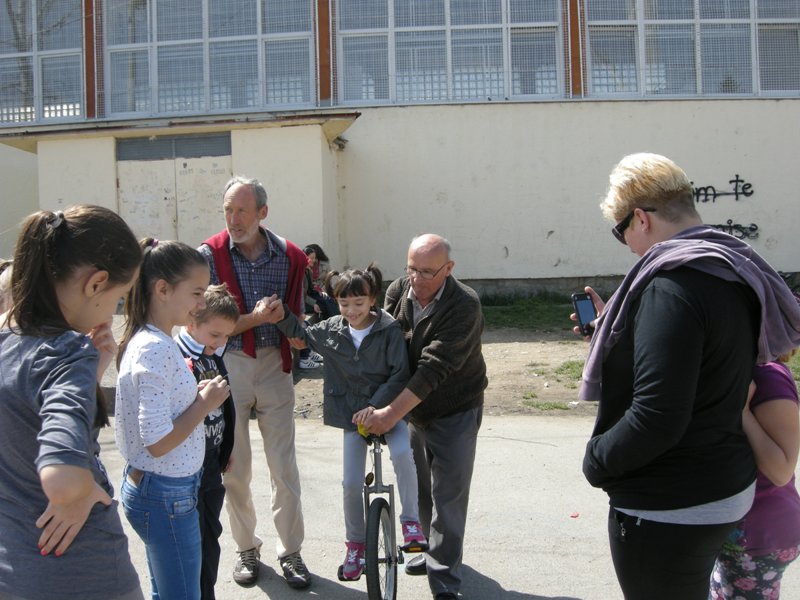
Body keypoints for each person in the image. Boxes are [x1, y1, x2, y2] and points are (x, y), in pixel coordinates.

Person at [578, 153, 800, 600]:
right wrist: (618, 333)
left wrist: (597, 461)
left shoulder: (671, 287)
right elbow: (703, 366)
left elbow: (658, 415)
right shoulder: (731, 269)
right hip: (724, 488)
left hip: (672, 503)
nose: (627, 245)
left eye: (621, 231)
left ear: (641, 219)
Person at [0, 206, 143, 600]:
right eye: (119, 298)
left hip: (14, 569)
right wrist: (81, 489)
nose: (113, 312)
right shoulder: (66, 353)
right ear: (96, 284)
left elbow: (22, 419)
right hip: (84, 573)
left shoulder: (7, 338)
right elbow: (61, 479)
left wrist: (91, 376)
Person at [263, 264, 427, 580]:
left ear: (373, 299)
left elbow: (400, 374)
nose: (352, 311)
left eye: (359, 303)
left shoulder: (389, 329)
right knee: (351, 483)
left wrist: (377, 407)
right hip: (353, 417)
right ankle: (355, 545)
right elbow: (301, 336)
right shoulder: (332, 329)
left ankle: (411, 523)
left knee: (403, 455)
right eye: (344, 303)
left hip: (388, 412)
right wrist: (281, 313)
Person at [197, 175, 312, 589]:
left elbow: (299, 322)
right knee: (234, 468)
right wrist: (258, 317)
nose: (233, 219)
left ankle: (291, 552)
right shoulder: (209, 255)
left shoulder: (291, 257)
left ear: (263, 212)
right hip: (229, 366)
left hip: (275, 365)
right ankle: (247, 549)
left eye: (242, 210)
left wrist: (288, 324)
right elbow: (210, 324)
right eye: (228, 210)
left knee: (284, 467)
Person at [362, 234, 487, 600]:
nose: (416, 279)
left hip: (455, 409)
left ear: (448, 269)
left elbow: (434, 368)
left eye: (427, 272)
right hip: (415, 410)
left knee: (448, 496)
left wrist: (390, 413)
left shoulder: (464, 305)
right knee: (419, 489)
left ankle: (444, 579)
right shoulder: (398, 291)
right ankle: (425, 549)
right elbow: (384, 346)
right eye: (411, 269)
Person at [116, 239, 230, 600]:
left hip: (163, 491)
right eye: (197, 293)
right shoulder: (155, 348)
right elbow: (158, 440)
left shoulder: (153, 341)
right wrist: (204, 403)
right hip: (166, 495)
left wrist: (194, 398)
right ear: (163, 289)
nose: (202, 303)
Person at [710, 351, 800, 599]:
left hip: (758, 534)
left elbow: (781, 471)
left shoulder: (768, 376)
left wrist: (743, 414)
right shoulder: (743, 370)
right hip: (744, 531)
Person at [175, 283, 239, 600]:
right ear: (191, 321)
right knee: (193, 542)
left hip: (212, 462)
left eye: (226, 336)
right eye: (215, 334)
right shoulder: (177, 357)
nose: (221, 342)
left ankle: (206, 592)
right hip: (187, 469)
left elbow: (224, 408)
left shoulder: (212, 355)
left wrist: (227, 447)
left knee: (210, 534)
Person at [304, 243, 338, 320]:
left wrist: (320, 290)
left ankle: (337, 320)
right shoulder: (301, 272)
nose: (314, 260)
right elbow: (302, 295)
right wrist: (314, 303)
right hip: (304, 301)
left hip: (319, 290)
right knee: (324, 305)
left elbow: (328, 281)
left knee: (329, 299)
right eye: (312, 258)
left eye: (314, 258)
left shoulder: (309, 270)